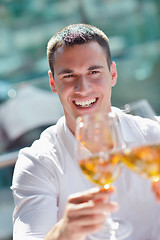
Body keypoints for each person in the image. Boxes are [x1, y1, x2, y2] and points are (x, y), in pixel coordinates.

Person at [11, 24, 160, 240]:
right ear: (53, 83)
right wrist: (63, 233)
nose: (83, 88)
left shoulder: (154, 137)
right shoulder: (38, 163)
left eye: (94, 72)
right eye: (69, 76)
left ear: (113, 74)